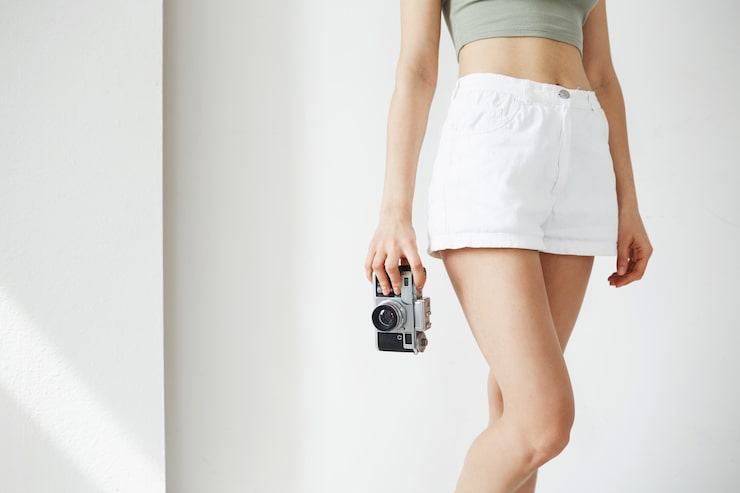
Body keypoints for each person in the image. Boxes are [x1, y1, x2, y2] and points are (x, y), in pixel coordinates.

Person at [364, 0, 653, 492]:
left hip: (582, 145)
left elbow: (602, 75)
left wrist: (629, 204)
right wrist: (394, 210)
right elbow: (416, 67)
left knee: (513, 408)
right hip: (492, 142)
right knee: (543, 422)